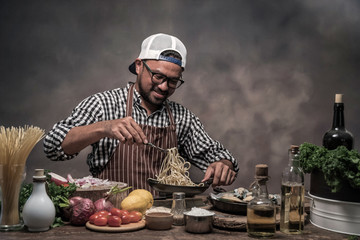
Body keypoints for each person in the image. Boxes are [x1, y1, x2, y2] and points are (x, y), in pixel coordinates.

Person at [44, 33, 238, 195]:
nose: (163, 87)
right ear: (138, 66)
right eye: (158, 76)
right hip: (112, 217)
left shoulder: (181, 117)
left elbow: (219, 156)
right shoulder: (102, 104)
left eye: (173, 81)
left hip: (164, 220)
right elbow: (53, 146)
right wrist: (104, 127)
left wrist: (223, 165)